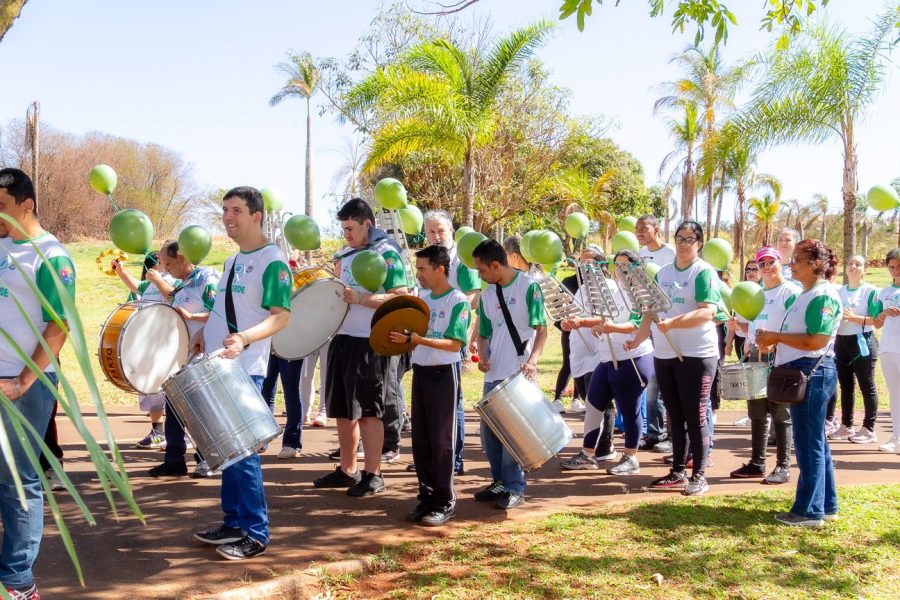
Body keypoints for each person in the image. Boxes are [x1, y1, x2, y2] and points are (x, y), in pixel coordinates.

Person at [191, 186, 291, 560]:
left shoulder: (272, 261)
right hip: (221, 366)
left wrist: (244, 339)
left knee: (243, 453)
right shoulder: (233, 261)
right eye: (225, 210)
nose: (228, 217)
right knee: (228, 452)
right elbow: (224, 308)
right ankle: (233, 521)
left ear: (256, 216)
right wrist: (205, 332)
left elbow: (281, 316)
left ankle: (256, 531)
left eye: (236, 210)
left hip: (246, 369)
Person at [0, 167, 77, 599]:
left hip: (24, 384)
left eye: (2, 206)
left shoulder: (52, 257)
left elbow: (58, 326)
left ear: (26, 205)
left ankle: (18, 583)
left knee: (19, 481)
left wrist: (23, 381)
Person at [313, 198, 409, 496]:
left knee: (369, 411)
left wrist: (362, 299)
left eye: (350, 228)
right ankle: (347, 469)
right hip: (342, 338)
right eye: (343, 229)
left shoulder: (386, 253)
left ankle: (374, 474)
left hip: (370, 342)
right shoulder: (348, 253)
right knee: (343, 409)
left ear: (367, 223)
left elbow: (400, 297)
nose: (346, 235)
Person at [627, 221, 725, 496]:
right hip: (665, 353)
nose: (684, 244)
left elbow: (709, 311)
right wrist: (638, 339)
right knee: (675, 415)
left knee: (696, 416)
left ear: (699, 244)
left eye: (690, 239)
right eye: (680, 238)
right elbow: (651, 312)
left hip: (697, 354)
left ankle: (700, 475)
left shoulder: (703, 272)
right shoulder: (664, 273)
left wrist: (675, 323)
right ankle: (678, 471)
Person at [756, 239, 841, 527]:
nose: (791, 264)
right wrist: (773, 342)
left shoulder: (823, 295)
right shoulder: (806, 293)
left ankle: (808, 510)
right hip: (803, 371)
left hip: (811, 373)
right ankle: (826, 504)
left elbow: (816, 340)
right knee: (815, 441)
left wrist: (777, 338)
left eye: (797, 260)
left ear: (816, 263)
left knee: (808, 443)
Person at [390, 245, 469, 526]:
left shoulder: (457, 300)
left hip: (445, 374)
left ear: (440, 269)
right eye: (418, 268)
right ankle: (426, 497)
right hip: (421, 372)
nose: (419, 274)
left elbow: (455, 344)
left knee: (442, 440)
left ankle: (445, 501)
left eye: (423, 268)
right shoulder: (421, 299)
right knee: (421, 440)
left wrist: (417, 340)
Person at [560, 249, 654, 475]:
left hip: (634, 358)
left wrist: (609, 328)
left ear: (636, 268)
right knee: (593, 403)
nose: (620, 270)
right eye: (617, 265)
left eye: (625, 266)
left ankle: (631, 457)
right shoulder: (614, 290)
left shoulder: (641, 293)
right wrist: (583, 322)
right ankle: (587, 454)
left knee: (630, 410)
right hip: (607, 357)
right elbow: (604, 317)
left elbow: (636, 324)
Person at [472, 239, 547, 510]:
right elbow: (483, 333)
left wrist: (533, 361)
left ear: (495, 265)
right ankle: (499, 482)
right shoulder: (488, 293)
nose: (480, 275)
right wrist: (482, 355)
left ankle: (515, 487)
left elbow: (541, 329)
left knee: (511, 435)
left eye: (481, 270)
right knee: (489, 433)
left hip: (517, 372)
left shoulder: (528, 286)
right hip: (493, 372)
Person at [147, 239, 219, 478]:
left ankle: (206, 458)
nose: (165, 269)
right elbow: (174, 304)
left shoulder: (206, 280)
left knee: (200, 410)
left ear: (182, 258)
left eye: (167, 263)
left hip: (202, 355)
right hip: (180, 356)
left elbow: (219, 313)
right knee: (174, 408)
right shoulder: (182, 284)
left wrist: (195, 318)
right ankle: (174, 458)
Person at [728, 246, 799, 484]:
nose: (767, 267)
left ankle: (783, 466)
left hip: (781, 358)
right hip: (757, 358)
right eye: (762, 263)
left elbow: (795, 325)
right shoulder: (757, 293)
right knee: (757, 412)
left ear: (781, 263)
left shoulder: (789, 291)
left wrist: (776, 343)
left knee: (780, 412)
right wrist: (746, 338)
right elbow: (754, 323)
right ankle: (757, 463)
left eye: (771, 262)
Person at [423, 210, 482, 474]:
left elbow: (473, 295)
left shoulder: (461, 261)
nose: (436, 236)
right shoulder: (424, 260)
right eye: (431, 231)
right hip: (426, 343)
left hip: (450, 342)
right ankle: (433, 455)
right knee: (428, 404)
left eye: (441, 231)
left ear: (450, 231)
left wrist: (451, 314)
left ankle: (454, 459)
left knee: (452, 403)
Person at [110, 250, 175, 450]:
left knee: (170, 392)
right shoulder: (148, 284)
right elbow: (135, 286)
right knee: (151, 389)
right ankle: (158, 432)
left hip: (166, 343)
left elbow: (172, 295)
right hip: (147, 342)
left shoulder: (176, 280)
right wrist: (120, 271)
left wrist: (158, 280)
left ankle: (182, 435)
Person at [830, 255, 880, 444]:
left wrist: (854, 318)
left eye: (858, 264)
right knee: (846, 387)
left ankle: (869, 428)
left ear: (864, 269)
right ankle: (846, 425)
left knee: (867, 386)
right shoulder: (839, 291)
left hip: (862, 342)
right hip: (841, 342)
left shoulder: (870, 291)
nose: (853, 267)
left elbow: (876, 320)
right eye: (850, 263)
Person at [635, 214, 675, 453]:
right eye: (637, 228)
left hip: (670, 324)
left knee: (669, 386)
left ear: (656, 229)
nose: (639, 231)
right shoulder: (639, 255)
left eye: (644, 227)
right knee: (652, 384)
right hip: (648, 324)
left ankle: (672, 436)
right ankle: (654, 433)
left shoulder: (670, 254)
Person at [872, 248, 900, 453]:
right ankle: (897, 437)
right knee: (895, 394)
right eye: (891, 267)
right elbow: (876, 323)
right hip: (888, 348)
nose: (895, 270)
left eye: (899, 266)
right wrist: (883, 312)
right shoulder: (884, 292)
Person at [724, 259, 761, 361]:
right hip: (739, 339)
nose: (751, 272)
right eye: (748, 270)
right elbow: (733, 319)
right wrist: (729, 343)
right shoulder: (739, 291)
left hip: (756, 340)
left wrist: (746, 330)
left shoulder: (764, 293)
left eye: (755, 269)